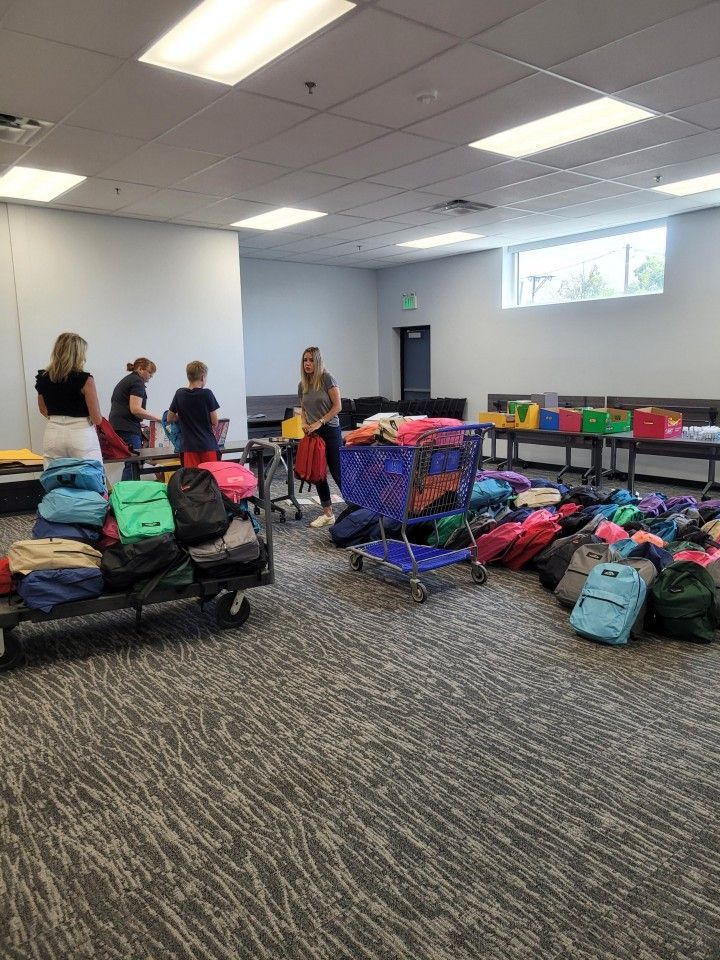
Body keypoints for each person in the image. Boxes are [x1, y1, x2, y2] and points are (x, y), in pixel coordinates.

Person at [35, 332, 103, 467]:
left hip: (53, 432)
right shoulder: (85, 379)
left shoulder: (43, 377)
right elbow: (96, 419)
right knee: (90, 479)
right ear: (78, 354)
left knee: (55, 478)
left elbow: (43, 410)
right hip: (81, 433)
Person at [298, 346, 342, 528]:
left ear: (317, 361)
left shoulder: (326, 378)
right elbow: (302, 408)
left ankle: (358, 509)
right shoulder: (303, 385)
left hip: (330, 430)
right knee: (319, 474)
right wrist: (303, 422)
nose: (307, 364)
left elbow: (337, 406)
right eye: (305, 360)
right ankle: (327, 513)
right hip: (314, 433)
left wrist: (320, 422)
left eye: (310, 360)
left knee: (338, 472)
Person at [109, 358, 162, 480]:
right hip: (127, 428)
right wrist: (158, 419)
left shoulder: (127, 380)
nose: (151, 376)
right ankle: (128, 495)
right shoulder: (137, 382)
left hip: (119, 426)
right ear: (140, 369)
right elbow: (136, 409)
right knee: (134, 463)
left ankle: (126, 493)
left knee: (133, 462)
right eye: (149, 372)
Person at [167, 360, 220, 468]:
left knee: (191, 481)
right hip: (207, 445)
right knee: (210, 478)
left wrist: (183, 416)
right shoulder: (207, 393)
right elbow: (215, 422)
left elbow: (169, 418)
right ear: (202, 377)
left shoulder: (179, 393)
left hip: (188, 447)